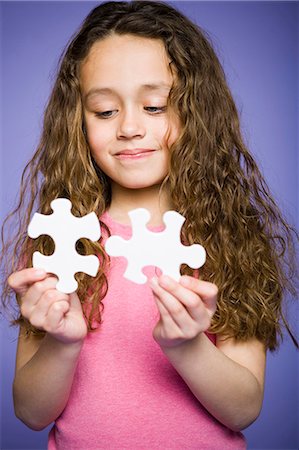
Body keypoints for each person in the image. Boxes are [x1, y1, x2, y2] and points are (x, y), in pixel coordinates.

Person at [1, 1, 297, 449]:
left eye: (155, 106)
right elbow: (30, 412)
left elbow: (244, 409)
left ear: (197, 113)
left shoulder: (230, 239)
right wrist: (62, 343)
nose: (130, 128)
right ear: (77, 123)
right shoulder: (60, 242)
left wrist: (186, 346)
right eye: (104, 111)